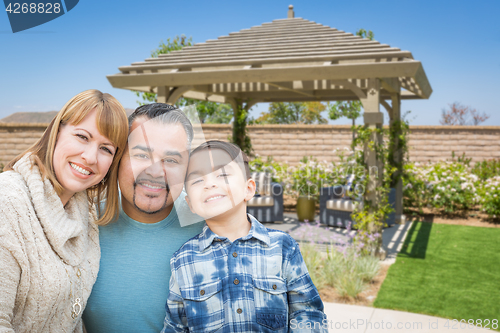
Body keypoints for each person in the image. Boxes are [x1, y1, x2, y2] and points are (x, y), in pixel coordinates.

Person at [161, 140, 328, 333]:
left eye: (222, 174)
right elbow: (175, 326)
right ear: (190, 203)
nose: (210, 184)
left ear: (248, 189)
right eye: (197, 180)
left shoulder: (282, 247)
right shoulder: (184, 260)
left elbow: (308, 313)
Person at [0, 89, 129, 333]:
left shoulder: (85, 215)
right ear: (56, 132)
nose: (90, 157)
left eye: (106, 149)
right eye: (82, 136)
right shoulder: (7, 203)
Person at [83, 104, 205, 333]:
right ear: (118, 158)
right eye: (141, 155)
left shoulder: (209, 227)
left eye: (171, 160)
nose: (155, 172)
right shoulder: (84, 220)